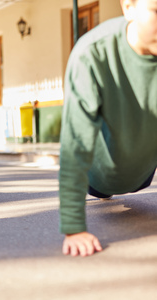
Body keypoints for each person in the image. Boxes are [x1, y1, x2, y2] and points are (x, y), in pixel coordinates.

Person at [59, 0, 157, 257]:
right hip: (100, 177)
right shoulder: (91, 53)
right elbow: (76, 143)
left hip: (144, 171)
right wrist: (74, 227)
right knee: (104, 184)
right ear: (128, 8)